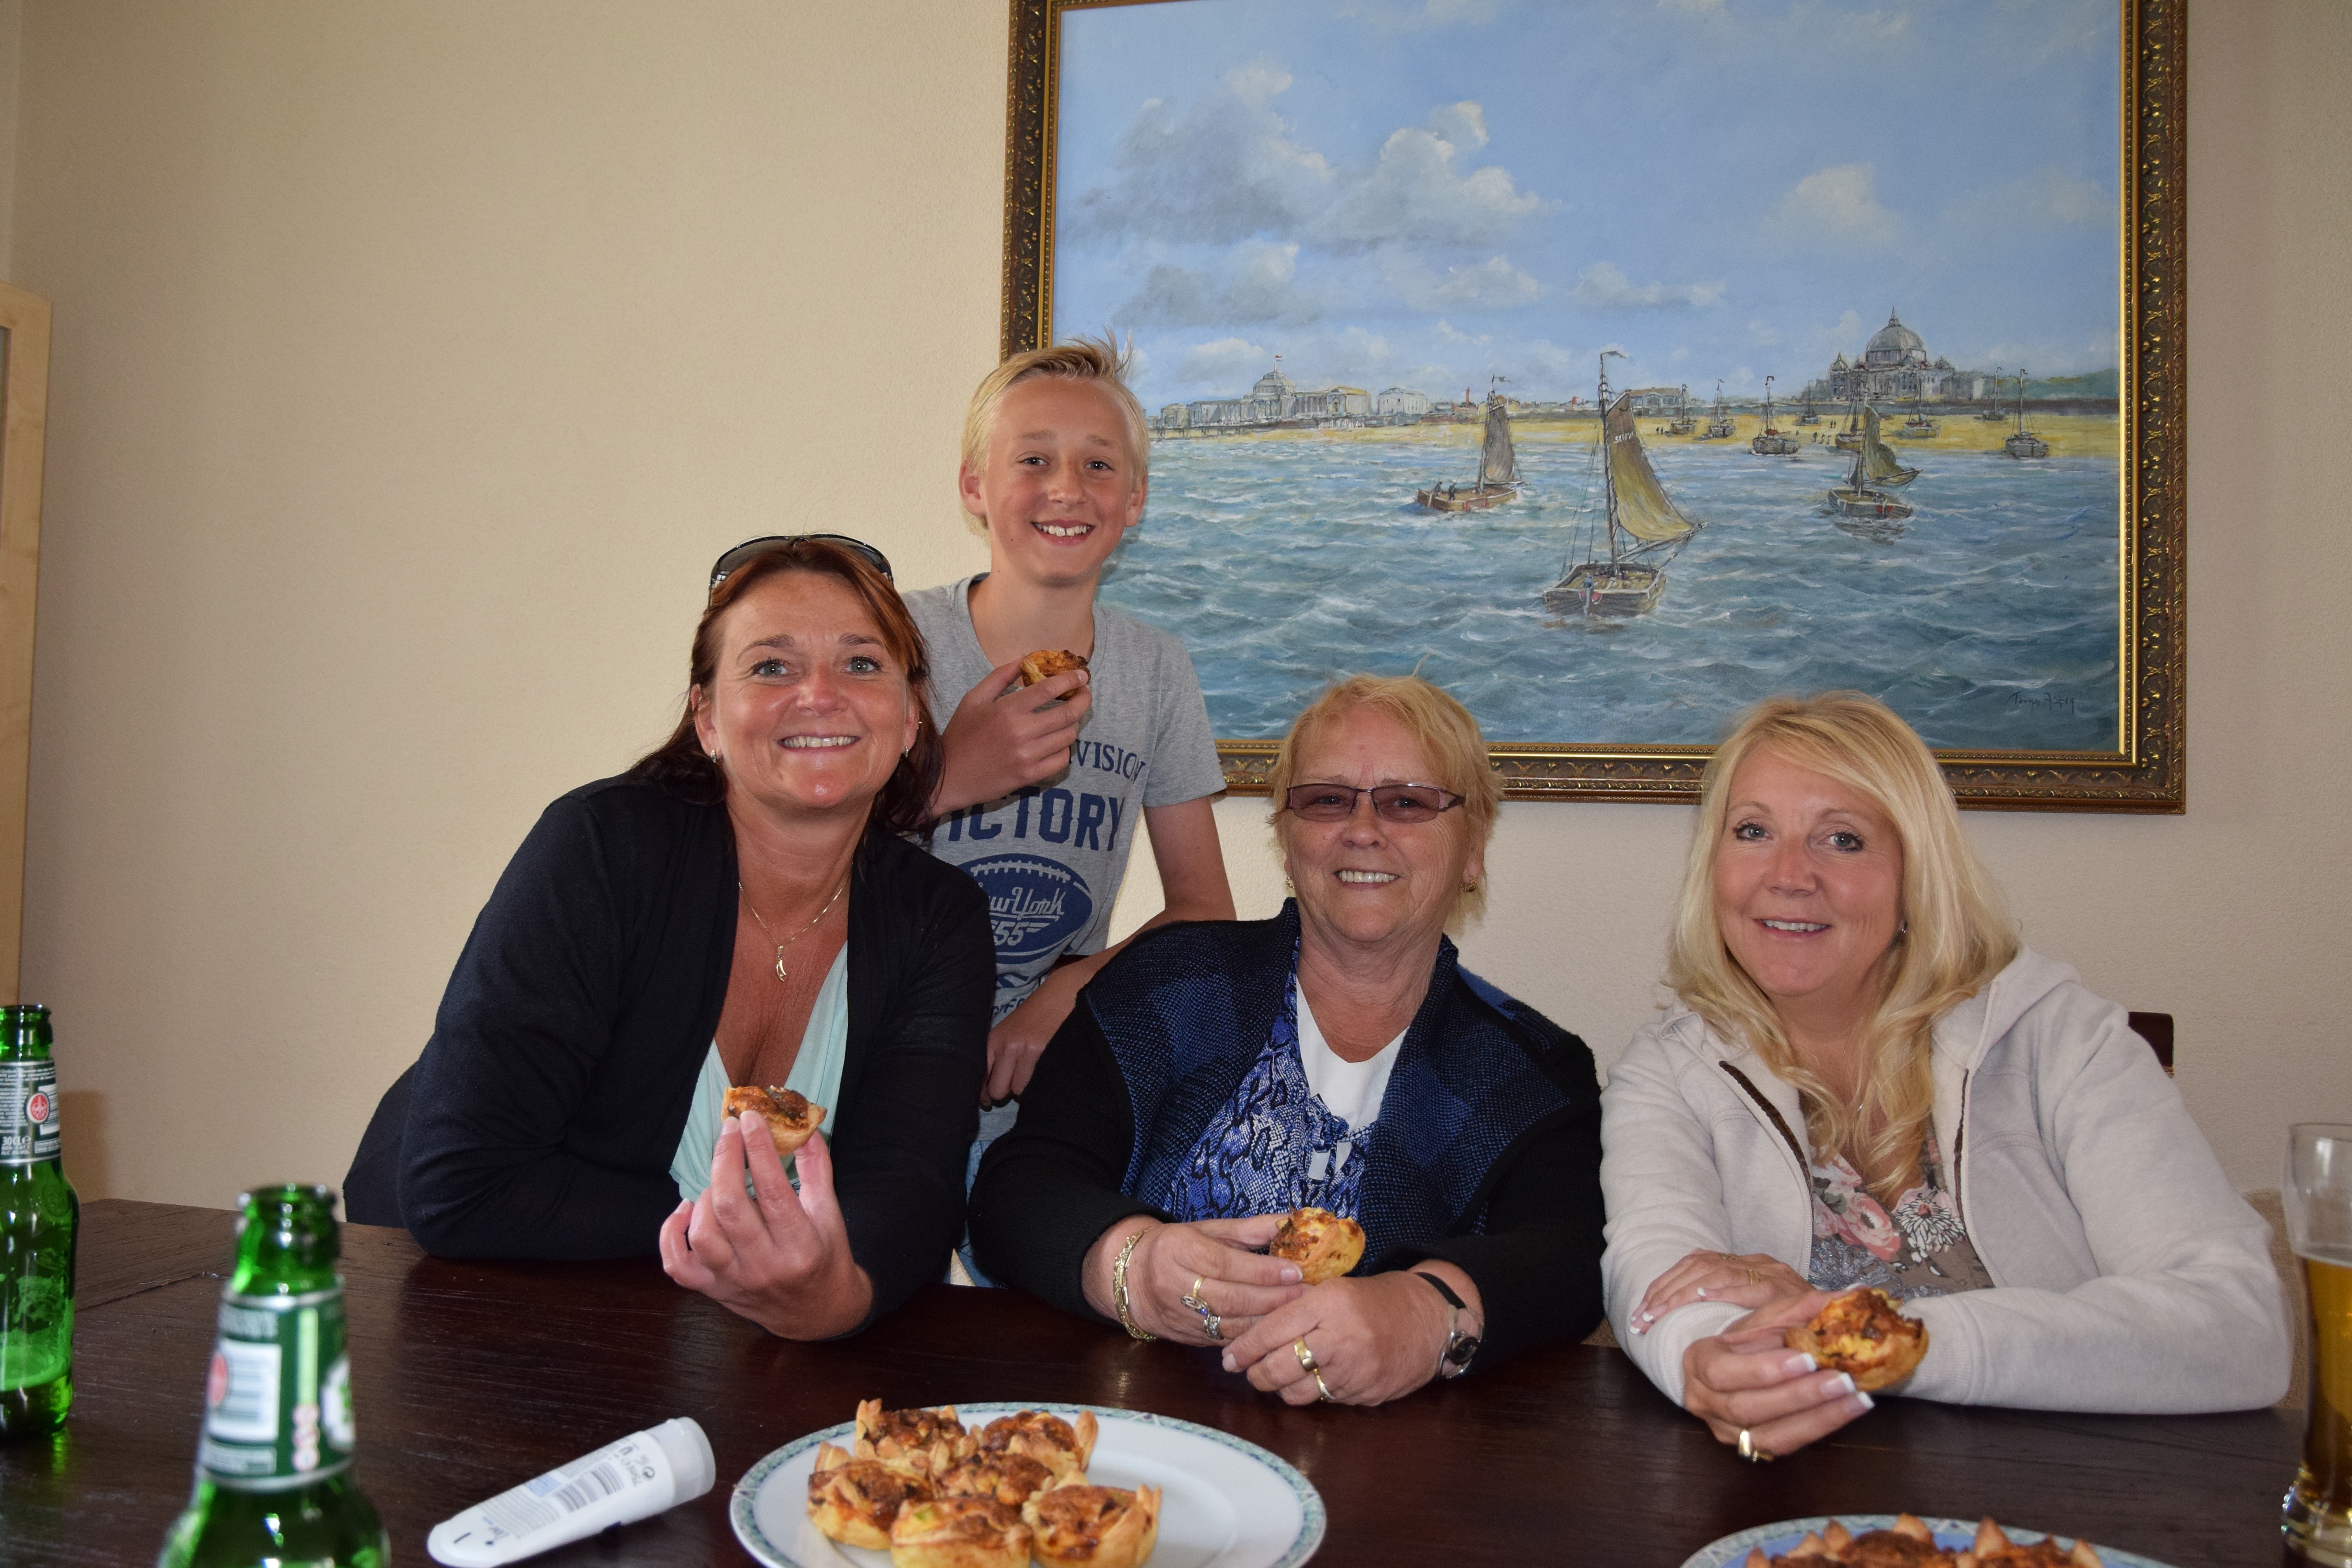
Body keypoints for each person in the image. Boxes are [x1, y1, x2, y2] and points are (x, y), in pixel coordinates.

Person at [1600, 692, 2288, 1460]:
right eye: (1753, 831)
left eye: (1843, 840)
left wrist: (1872, 1338)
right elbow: (1658, 1280)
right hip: (1803, 1499)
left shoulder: (2061, 1038)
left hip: (2072, 1490)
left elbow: (2240, 1326)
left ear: (1914, 875)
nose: (1789, 875)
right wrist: (1703, 1363)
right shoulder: (1670, 1069)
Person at [346, 537, 994, 1339]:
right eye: (771, 667)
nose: (820, 695)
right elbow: (464, 1186)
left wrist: (835, 1299)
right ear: (706, 719)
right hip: (471, 1311)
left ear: (909, 718)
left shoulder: (941, 917)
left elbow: (912, 1188)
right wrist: (744, 1231)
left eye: (862, 664)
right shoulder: (601, 848)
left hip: (733, 1342)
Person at [971, 676, 1605, 1404]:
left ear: (1474, 848)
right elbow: (1016, 1190)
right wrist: (1130, 1266)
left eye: (1407, 802)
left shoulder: (1535, 1070)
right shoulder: (1159, 987)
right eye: (1328, 800)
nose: (1363, 829)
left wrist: (1432, 1312)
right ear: (1286, 837)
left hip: (1397, 1455)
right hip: (1138, 1424)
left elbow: (1570, 1263)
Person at [904, 339, 1234, 1221]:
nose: (1066, 489)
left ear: (1135, 500)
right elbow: (790, 850)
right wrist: (947, 777)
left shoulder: (1155, 669)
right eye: (1032, 460)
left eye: (1098, 465)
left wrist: (1067, 993)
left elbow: (1202, 908)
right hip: (880, 1076)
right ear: (974, 486)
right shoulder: (896, 643)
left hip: (1041, 1096)